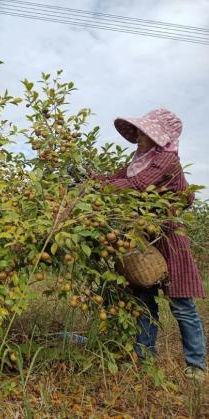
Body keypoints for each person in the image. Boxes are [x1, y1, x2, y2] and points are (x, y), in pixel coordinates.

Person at [96, 109, 206, 381]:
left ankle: (196, 364)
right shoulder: (138, 160)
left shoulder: (167, 159)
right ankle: (144, 356)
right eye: (140, 131)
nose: (140, 137)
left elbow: (136, 185)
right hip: (144, 234)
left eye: (145, 132)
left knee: (182, 304)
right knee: (144, 300)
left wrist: (104, 188)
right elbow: (114, 179)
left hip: (169, 236)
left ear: (157, 136)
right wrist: (90, 179)